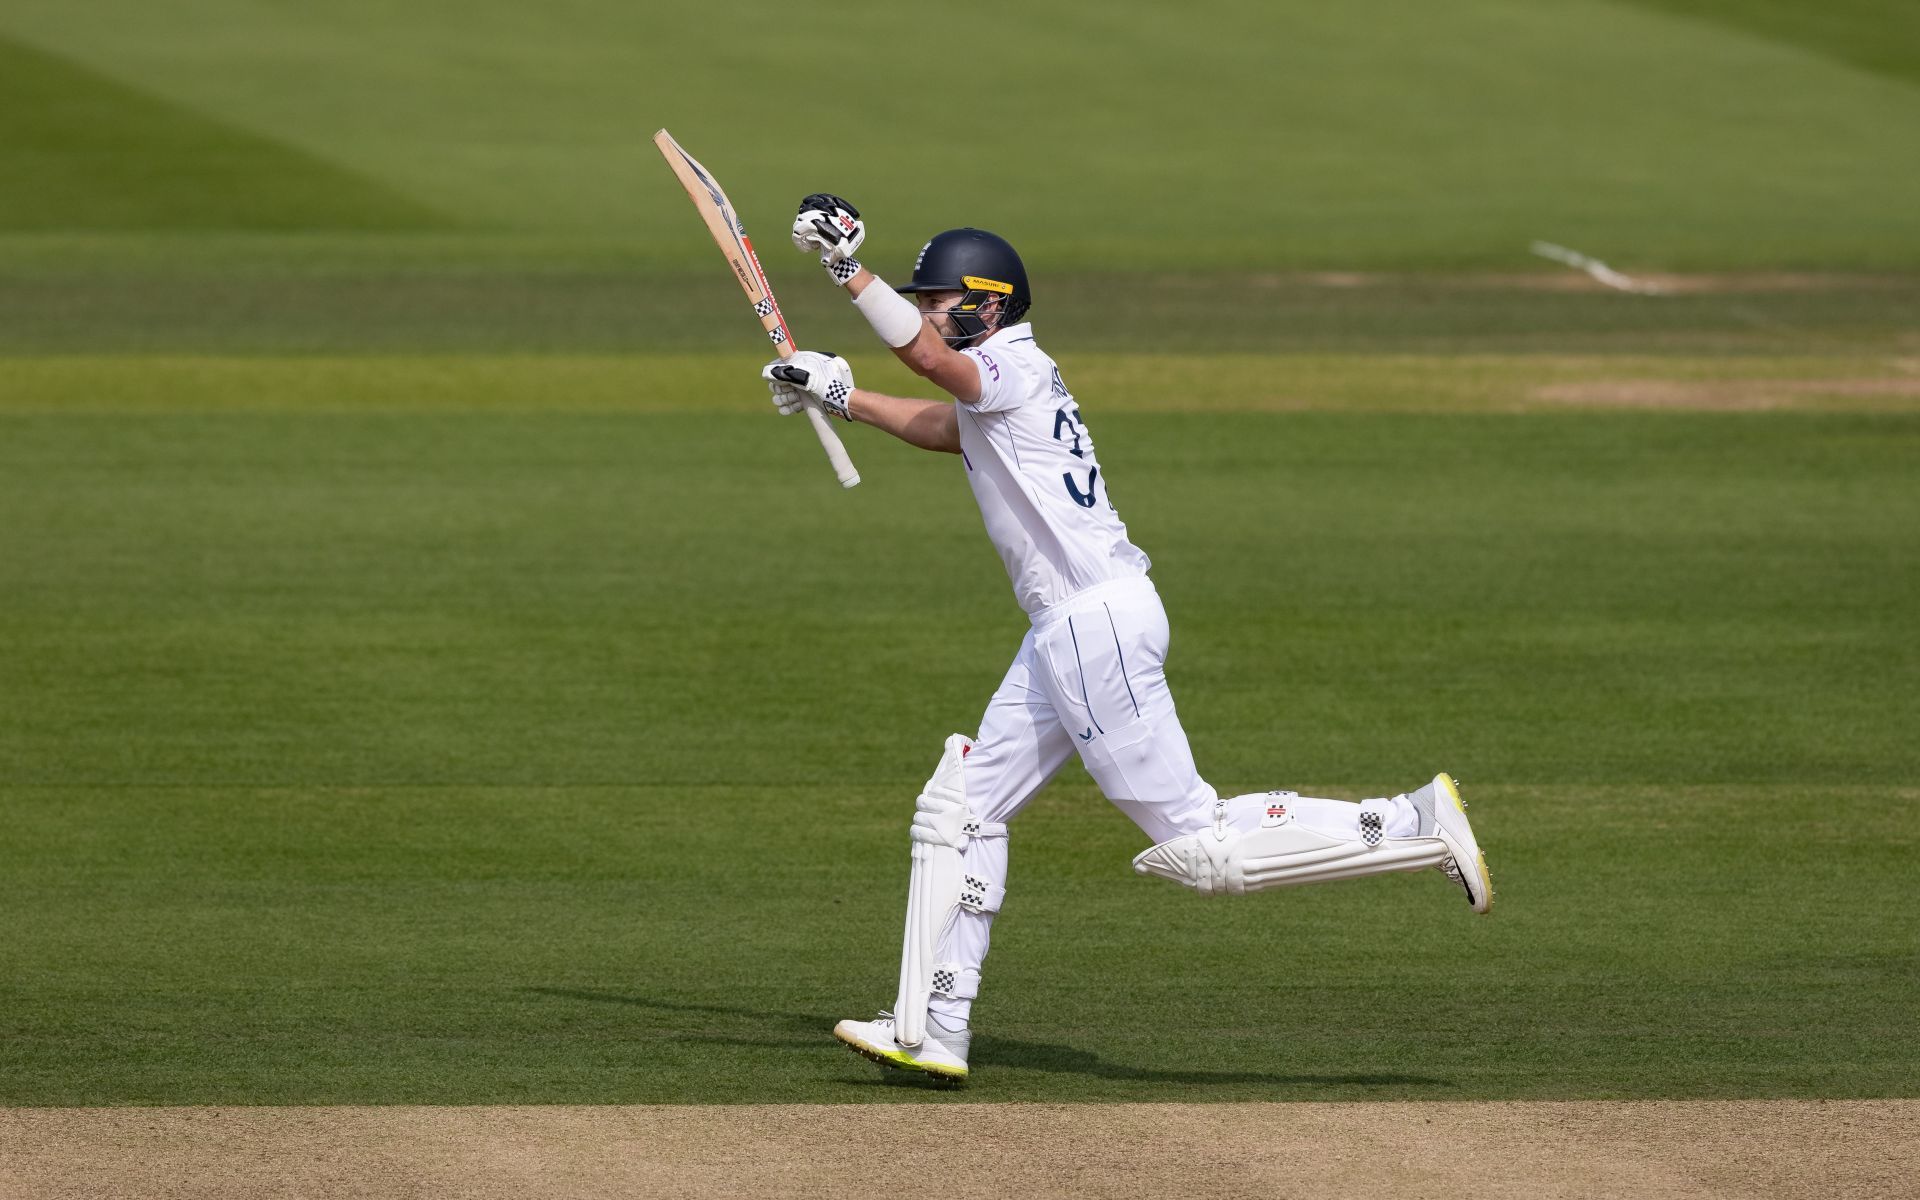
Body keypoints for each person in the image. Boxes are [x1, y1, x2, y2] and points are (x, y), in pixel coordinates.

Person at [761, 195, 1493, 1085]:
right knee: (962, 809)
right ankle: (933, 1025)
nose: (927, 314)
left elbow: (927, 364)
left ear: (988, 304)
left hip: (1093, 625)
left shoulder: (1009, 366)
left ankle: (1414, 822)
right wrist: (840, 393)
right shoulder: (1003, 381)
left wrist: (846, 269)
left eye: (938, 299)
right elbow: (950, 430)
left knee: (1201, 847)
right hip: (1069, 628)